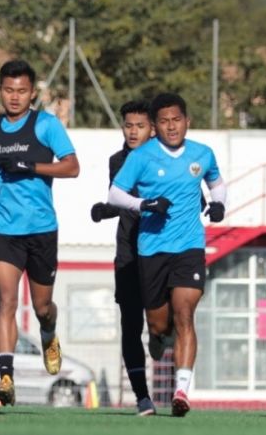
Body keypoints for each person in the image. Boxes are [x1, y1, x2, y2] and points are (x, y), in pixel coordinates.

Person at [107, 93, 227, 418]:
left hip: (189, 247)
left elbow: (216, 182)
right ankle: (160, 336)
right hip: (151, 250)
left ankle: (181, 391)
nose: (171, 126)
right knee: (158, 324)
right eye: (164, 121)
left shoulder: (203, 153)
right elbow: (115, 193)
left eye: (177, 120)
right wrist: (144, 204)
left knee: (186, 314)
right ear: (155, 127)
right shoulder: (142, 156)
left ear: (187, 121)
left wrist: (218, 203)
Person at [0, 59, 80, 407]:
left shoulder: (46, 125)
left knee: (41, 305)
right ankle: (6, 378)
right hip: (3, 227)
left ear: (32, 93)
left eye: (21, 91)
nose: (14, 97)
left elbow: (72, 167)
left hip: (41, 229)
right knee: (6, 300)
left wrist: (31, 166)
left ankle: (48, 333)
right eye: (8, 90)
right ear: (0, 90)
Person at [89, 100, 157, 416]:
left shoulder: (169, 159)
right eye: (128, 125)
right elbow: (120, 199)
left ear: (152, 129)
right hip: (129, 253)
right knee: (130, 324)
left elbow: (191, 200)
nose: (133, 131)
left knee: (161, 324)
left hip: (162, 250)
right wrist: (106, 210)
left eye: (139, 126)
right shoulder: (117, 160)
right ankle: (142, 397)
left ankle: (162, 336)